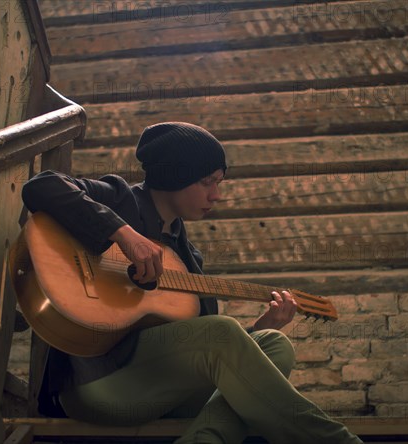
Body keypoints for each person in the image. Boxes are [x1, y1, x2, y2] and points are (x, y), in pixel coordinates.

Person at [21, 122, 363, 444]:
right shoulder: (120, 199)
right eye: (206, 182)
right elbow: (42, 185)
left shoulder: (188, 259)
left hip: (161, 390)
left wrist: (256, 330)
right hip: (98, 383)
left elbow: (200, 346)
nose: (216, 195)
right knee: (224, 332)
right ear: (174, 175)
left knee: (274, 342)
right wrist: (124, 234)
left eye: (219, 183)